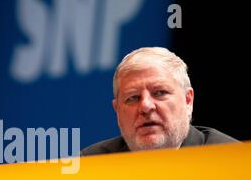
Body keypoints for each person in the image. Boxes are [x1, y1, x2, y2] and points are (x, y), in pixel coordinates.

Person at [81, 47, 239, 155]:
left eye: (159, 93)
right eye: (133, 98)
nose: (145, 106)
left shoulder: (231, 159)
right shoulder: (91, 165)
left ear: (188, 100)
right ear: (117, 110)